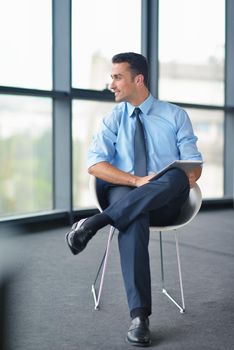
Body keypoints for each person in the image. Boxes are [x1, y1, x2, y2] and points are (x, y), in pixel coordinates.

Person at [66, 52, 202, 347]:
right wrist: (136, 180)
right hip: (124, 191)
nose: (111, 84)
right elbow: (95, 165)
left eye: (117, 77)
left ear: (137, 79)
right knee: (133, 213)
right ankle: (139, 317)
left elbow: (193, 165)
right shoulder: (112, 120)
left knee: (176, 177)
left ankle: (95, 223)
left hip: (165, 200)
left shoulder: (175, 116)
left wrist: (185, 174)